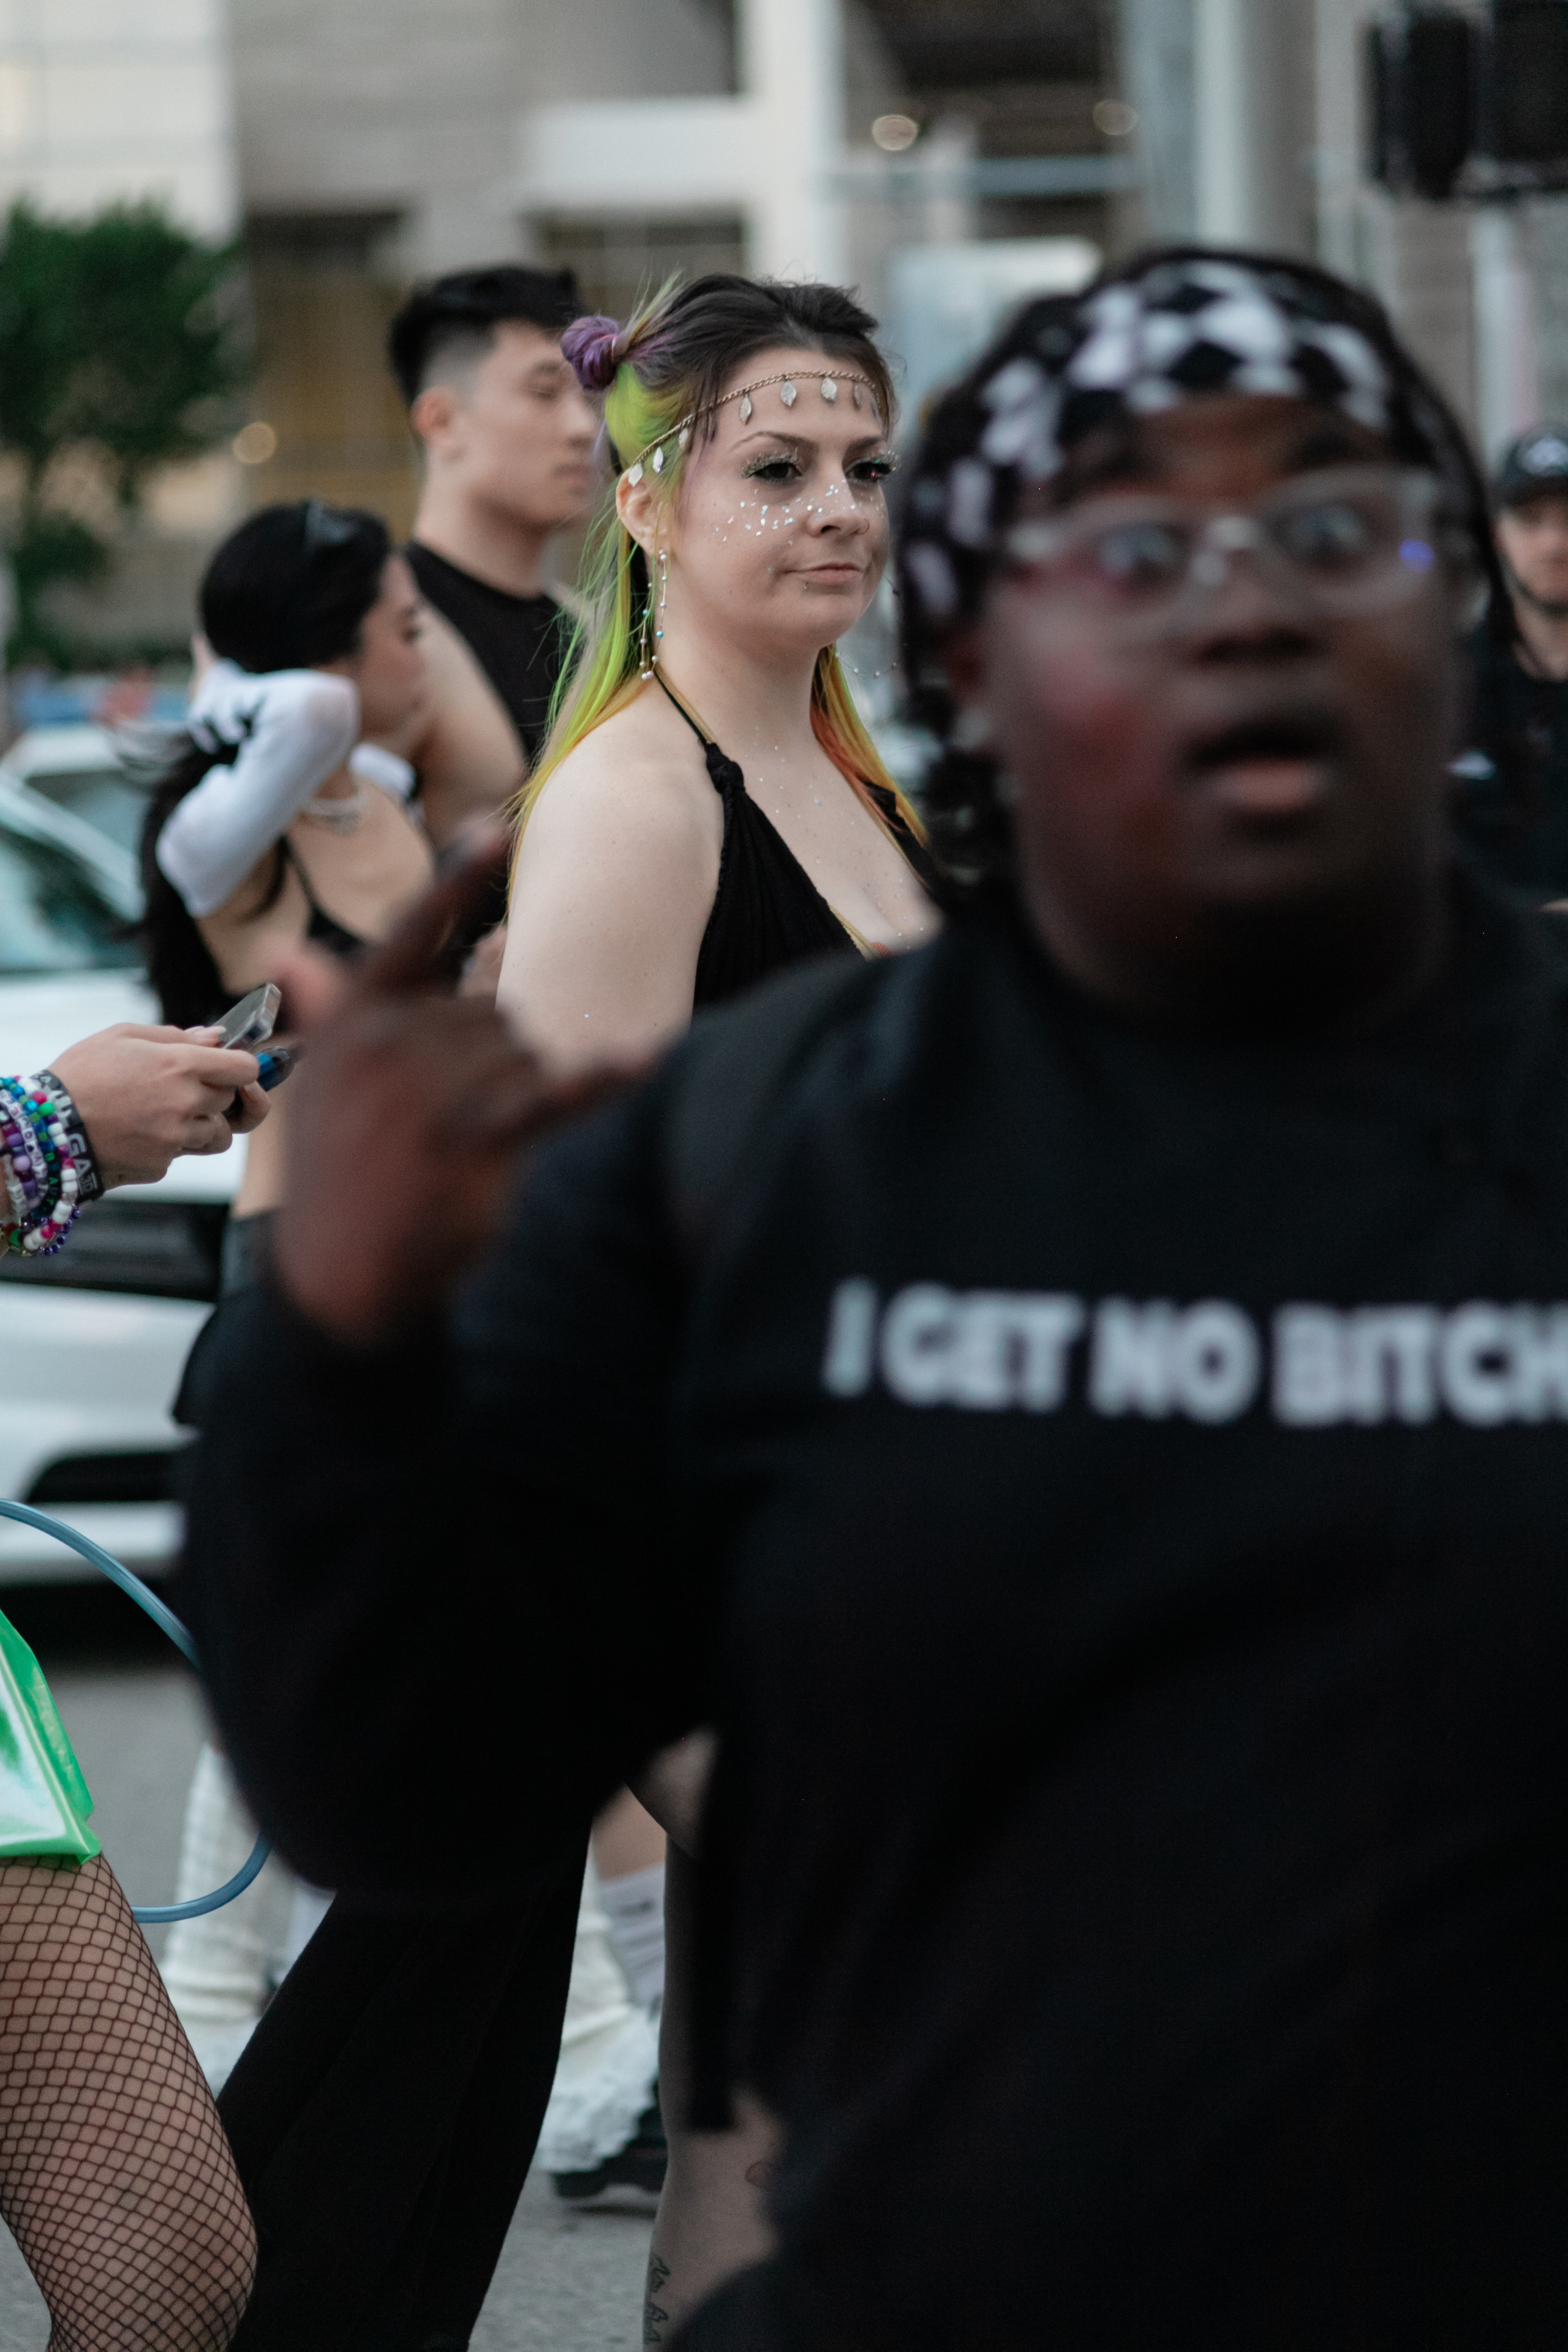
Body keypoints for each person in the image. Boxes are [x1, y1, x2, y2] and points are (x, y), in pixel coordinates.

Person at [177, 241, 1568, 2349]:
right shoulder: (686, 856)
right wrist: (352, 1370)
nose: (837, 504)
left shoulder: (917, 836)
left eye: (1326, 524)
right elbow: (463, 1646)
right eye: (1136, 546)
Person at [502, 273, 940, 2316]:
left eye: (863, 464)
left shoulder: (863, 786)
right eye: (779, 469)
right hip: (738, 1601)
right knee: (785, 2157)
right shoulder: (632, 808)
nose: (838, 505)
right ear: (652, 501)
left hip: (904, 1552)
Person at [389, 263, 598, 775]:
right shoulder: (384, 635)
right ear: (442, 421)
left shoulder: (590, 631)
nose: (585, 427)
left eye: (590, 398)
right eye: (546, 393)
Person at [1455, 422, 1568, 894]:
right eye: (1530, 520)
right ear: (1497, 534)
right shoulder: (1445, 687)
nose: (1554, 544)